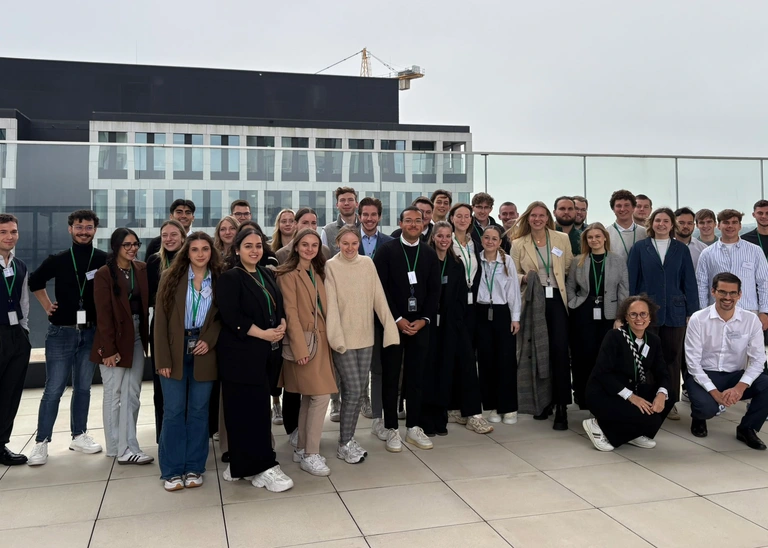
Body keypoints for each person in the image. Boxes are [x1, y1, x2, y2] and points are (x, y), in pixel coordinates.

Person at [216, 227, 294, 492]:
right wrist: (263, 333)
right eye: (248, 246)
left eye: (258, 246)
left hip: (265, 355)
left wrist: (282, 323)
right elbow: (231, 317)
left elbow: (278, 305)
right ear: (237, 250)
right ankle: (257, 467)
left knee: (258, 411)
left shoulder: (266, 273)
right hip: (241, 356)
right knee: (245, 413)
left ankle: (248, 464)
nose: (254, 250)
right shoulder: (230, 278)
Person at [27, 209, 106, 466]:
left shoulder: (104, 259)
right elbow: (35, 282)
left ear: (95, 230)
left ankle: (79, 434)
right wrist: (48, 306)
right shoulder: (58, 259)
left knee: (84, 387)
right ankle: (41, 442)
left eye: (89, 227)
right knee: (54, 389)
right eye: (79, 227)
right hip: (61, 332)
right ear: (70, 229)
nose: (84, 232)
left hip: (91, 331)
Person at [154, 232, 222, 491]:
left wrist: (211, 339)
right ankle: (171, 470)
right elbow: (159, 322)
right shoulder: (170, 277)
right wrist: (162, 358)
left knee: (198, 411)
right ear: (187, 252)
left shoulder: (219, 280)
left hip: (205, 349)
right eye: (195, 249)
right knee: (173, 412)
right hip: (174, 350)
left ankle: (194, 466)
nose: (201, 254)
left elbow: (220, 318)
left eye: (206, 249)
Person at [325, 227, 399, 462]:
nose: (350, 248)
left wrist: (390, 327)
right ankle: (344, 443)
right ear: (337, 243)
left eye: (354, 243)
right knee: (356, 390)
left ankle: (348, 439)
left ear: (360, 244)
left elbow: (378, 296)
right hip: (343, 340)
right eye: (345, 243)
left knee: (354, 392)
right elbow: (332, 306)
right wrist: (336, 337)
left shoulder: (367, 263)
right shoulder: (331, 266)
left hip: (366, 337)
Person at [374, 207, 441, 452]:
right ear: (400, 223)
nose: (414, 225)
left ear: (424, 224)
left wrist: (424, 319)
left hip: (420, 324)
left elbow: (434, 291)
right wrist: (398, 318)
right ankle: (391, 428)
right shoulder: (386, 251)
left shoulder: (428, 253)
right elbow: (379, 289)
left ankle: (413, 426)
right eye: (409, 220)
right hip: (392, 324)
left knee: (416, 376)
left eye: (418, 221)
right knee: (391, 377)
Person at [275, 228, 337, 476]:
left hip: (322, 343)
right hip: (305, 343)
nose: (310, 249)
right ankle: (311, 454)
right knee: (321, 397)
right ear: (296, 247)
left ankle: (302, 449)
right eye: (305, 245)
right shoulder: (288, 275)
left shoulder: (318, 271)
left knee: (310, 398)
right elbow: (290, 314)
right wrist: (299, 348)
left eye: (314, 245)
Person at [628, 207, 698, 419]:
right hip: (646, 313)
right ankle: (648, 399)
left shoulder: (681, 249)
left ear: (672, 224)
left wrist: (691, 312)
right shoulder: (640, 248)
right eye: (658, 220)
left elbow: (689, 283)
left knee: (672, 357)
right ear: (652, 223)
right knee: (647, 356)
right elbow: (632, 281)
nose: (661, 224)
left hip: (676, 312)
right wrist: (630, 311)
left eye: (666, 220)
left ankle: (669, 402)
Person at [685, 273, 768, 449]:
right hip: (703, 374)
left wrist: (740, 387)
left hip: (734, 375)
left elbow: (759, 360)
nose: (727, 297)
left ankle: (747, 429)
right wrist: (715, 394)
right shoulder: (698, 319)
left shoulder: (750, 320)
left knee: (767, 384)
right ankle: (699, 417)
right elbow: (693, 364)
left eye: (732, 293)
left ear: (739, 295)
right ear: (713, 292)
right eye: (722, 292)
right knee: (707, 409)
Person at [510, 201, 573, 429]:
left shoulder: (561, 239)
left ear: (548, 218)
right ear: (527, 218)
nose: (537, 219)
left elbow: (567, 269)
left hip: (557, 299)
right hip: (534, 300)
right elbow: (512, 274)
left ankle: (562, 406)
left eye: (542, 215)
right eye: (533, 215)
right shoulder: (518, 244)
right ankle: (543, 402)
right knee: (539, 352)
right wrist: (525, 278)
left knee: (558, 351)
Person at [91, 228, 153, 465]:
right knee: (114, 393)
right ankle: (117, 447)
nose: (132, 249)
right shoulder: (104, 274)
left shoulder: (141, 269)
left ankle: (128, 444)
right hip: (113, 338)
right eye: (127, 245)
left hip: (137, 334)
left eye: (135, 244)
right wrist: (108, 350)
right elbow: (103, 315)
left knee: (133, 394)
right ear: (116, 247)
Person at [583, 295, 673, 451]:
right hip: (605, 392)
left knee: (668, 398)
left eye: (643, 313)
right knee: (648, 419)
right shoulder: (614, 336)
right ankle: (597, 425)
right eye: (634, 314)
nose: (639, 318)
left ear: (650, 316)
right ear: (626, 317)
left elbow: (662, 372)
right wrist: (631, 397)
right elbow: (603, 374)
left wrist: (661, 394)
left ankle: (632, 433)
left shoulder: (653, 340)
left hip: (632, 390)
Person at [424, 222, 488, 435]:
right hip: (430, 324)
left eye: (447, 236)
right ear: (433, 237)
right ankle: (428, 417)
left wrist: (455, 319)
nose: (444, 240)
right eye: (440, 236)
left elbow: (461, 296)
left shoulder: (456, 263)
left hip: (452, 323)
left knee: (452, 367)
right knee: (430, 369)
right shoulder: (426, 260)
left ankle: (443, 416)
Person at [566, 222, 629, 409]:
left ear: (604, 238)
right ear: (586, 240)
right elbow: (570, 286)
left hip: (609, 314)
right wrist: (573, 302)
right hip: (583, 311)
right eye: (590, 237)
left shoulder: (617, 260)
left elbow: (623, 290)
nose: (594, 240)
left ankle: (605, 393)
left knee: (605, 356)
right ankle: (582, 395)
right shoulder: (579, 260)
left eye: (597, 236)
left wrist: (620, 317)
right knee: (582, 355)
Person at [475, 225, 521, 425]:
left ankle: (509, 407)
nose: (490, 241)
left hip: (502, 312)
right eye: (487, 238)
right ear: (482, 240)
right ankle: (492, 405)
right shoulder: (476, 260)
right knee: (486, 361)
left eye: (494, 238)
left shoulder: (507, 261)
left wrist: (515, 317)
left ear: (500, 242)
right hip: (482, 312)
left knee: (506, 360)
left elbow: (513, 290)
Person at [695, 209, 768, 334]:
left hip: (748, 311)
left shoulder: (755, 251)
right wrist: (703, 312)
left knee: (750, 352)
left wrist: (764, 311)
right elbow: (701, 285)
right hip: (716, 313)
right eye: (726, 222)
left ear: (740, 226)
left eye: (734, 222)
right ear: (719, 225)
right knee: (718, 351)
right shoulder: (707, 253)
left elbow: (764, 283)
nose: (730, 226)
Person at [146, 219, 186, 442]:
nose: (169, 239)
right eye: (165, 235)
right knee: (161, 383)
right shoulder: (154, 261)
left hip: (188, 328)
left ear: (182, 237)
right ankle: (164, 434)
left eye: (173, 235)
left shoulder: (192, 260)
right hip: (161, 326)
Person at [356, 197, 393, 422]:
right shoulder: (348, 241)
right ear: (360, 216)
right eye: (365, 214)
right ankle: (360, 401)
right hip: (355, 312)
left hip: (379, 313)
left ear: (379, 217)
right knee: (356, 367)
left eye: (373, 215)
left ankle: (378, 415)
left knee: (378, 367)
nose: (369, 219)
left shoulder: (389, 243)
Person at [0, 214, 32, 466]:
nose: (9, 237)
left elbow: (23, 300)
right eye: (3, 232)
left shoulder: (20, 265)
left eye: (13, 232)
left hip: (16, 336)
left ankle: (1, 444)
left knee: (10, 393)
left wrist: (24, 331)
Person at [605, 190, 647, 262]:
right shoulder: (605, 233)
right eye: (618, 206)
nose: (622, 209)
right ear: (613, 209)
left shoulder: (645, 233)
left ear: (633, 208)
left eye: (626, 205)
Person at [322, 187, 361, 255]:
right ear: (337, 205)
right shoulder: (327, 231)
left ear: (357, 204)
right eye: (342, 200)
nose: (346, 203)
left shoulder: (364, 228)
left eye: (350, 200)